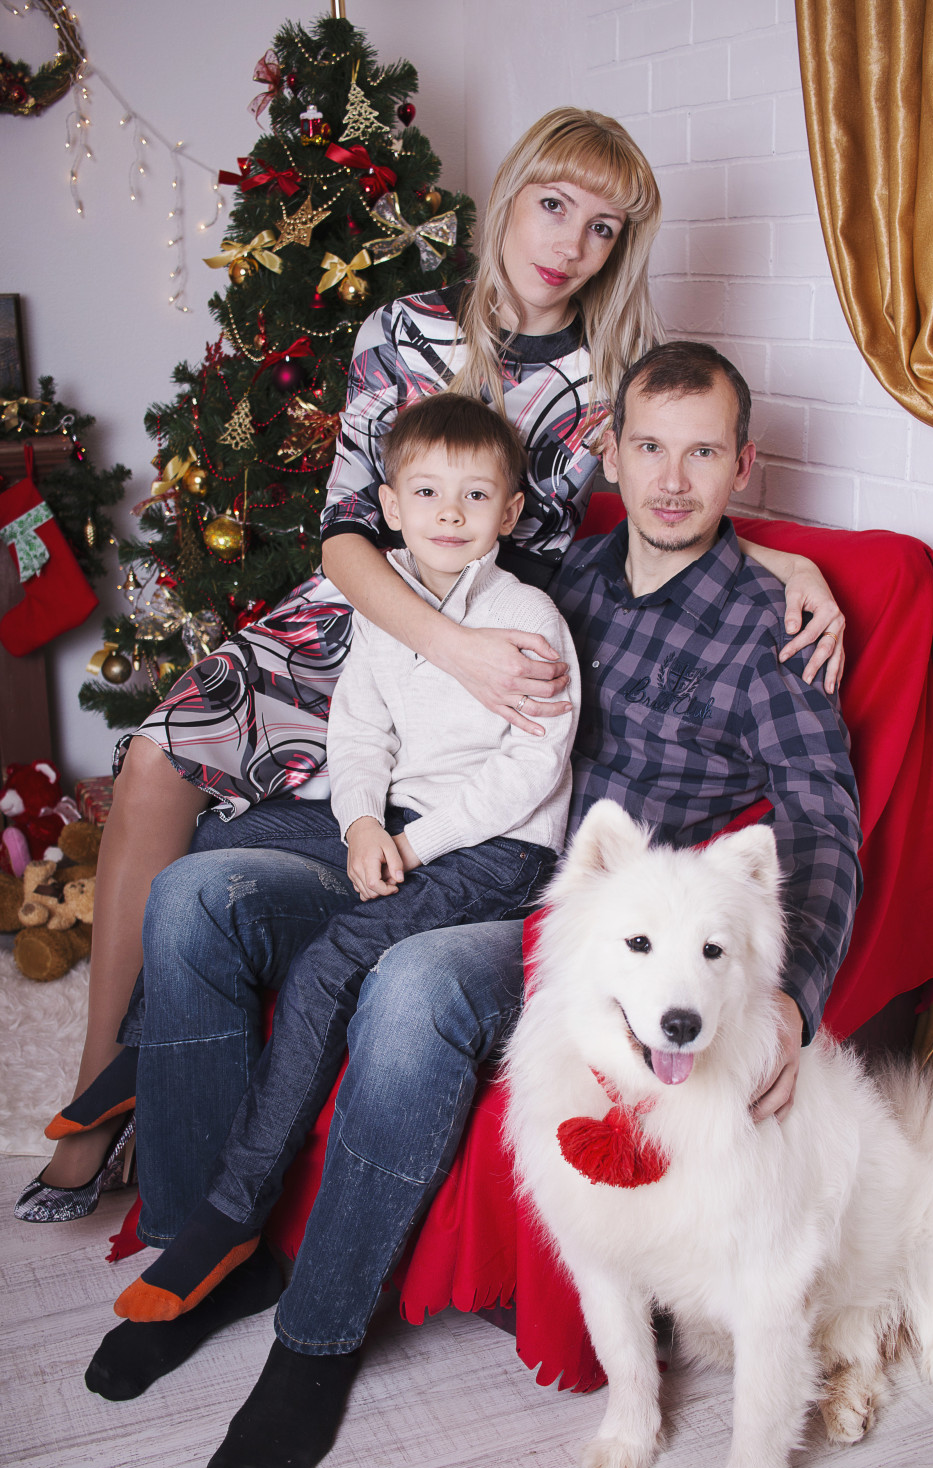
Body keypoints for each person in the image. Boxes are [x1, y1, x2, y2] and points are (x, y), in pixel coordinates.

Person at [19, 105, 845, 1218]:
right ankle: (102, 1097)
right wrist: (442, 644)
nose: (569, 244)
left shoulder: (609, 372)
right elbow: (344, 530)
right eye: (554, 205)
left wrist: (779, 557)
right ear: (512, 196)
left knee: (248, 862)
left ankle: (180, 1104)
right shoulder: (402, 330)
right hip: (360, 611)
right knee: (159, 759)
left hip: (487, 644)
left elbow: (665, 482)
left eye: (603, 229)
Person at [84, 340, 861, 1468]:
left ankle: (317, 1337)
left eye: (704, 454)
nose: (672, 480)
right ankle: (204, 1249)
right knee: (199, 894)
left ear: (741, 466)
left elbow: (822, 821)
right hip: (451, 839)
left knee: (414, 989)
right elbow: (412, 537)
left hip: (582, 931)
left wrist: (791, 996)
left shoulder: (769, 636)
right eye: (650, 447)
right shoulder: (569, 571)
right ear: (609, 453)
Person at [110, 389, 580, 1324]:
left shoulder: (527, 615)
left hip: (496, 852)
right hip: (400, 823)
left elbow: (530, 771)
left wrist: (409, 841)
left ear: (510, 512)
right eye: (428, 493)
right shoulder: (390, 604)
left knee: (333, 963)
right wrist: (362, 824)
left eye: (476, 495)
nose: (451, 514)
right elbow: (358, 731)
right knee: (217, 855)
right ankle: (135, 1061)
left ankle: (233, 1211)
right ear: (391, 507)